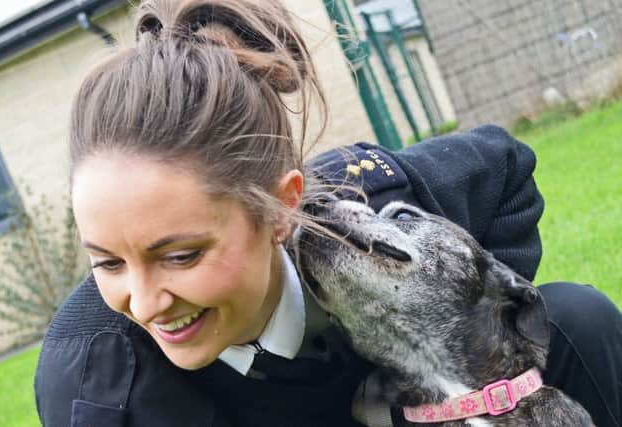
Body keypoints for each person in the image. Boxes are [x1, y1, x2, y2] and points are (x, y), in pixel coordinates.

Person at [34, 0, 622, 426]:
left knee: (576, 315)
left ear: (283, 206)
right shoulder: (97, 382)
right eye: (107, 263)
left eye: (181, 255)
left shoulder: (375, 209)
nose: (144, 301)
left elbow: (506, 168)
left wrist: (458, 372)